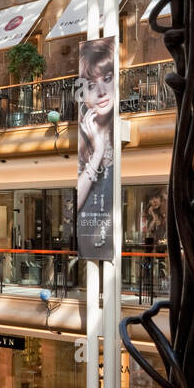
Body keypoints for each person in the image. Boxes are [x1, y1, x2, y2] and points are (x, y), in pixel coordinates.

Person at [76, 40, 115, 259]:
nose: (100, 92)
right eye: (91, 85)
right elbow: (78, 201)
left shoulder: (118, 137)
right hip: (87, 246)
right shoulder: (84, 142)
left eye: (107, 79)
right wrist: (98, 151)